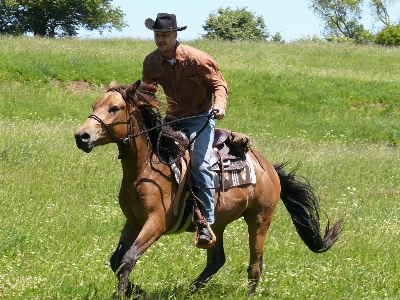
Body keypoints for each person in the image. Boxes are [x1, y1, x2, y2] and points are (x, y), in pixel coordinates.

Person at [142, 13, 228, 248]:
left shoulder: (196, 58)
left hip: (200, 118)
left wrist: (219, 105)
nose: (160, 40)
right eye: (157, 35)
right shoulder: (151, 62)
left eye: (165, 35)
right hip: (171, 120)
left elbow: (218, 84)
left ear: (175, 34)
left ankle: (206, 222)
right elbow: (148, 93)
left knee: (200, 163)